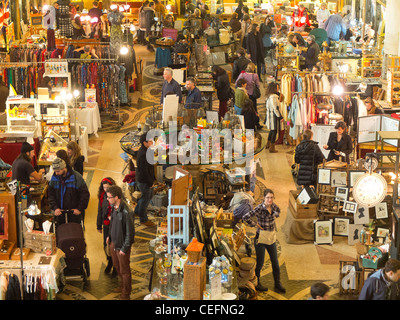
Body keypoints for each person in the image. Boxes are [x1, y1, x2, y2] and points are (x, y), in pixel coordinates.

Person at [242, 188, 286, 294]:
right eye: (268, 198)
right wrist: (255, 224)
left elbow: (278, 211)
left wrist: (275, 215)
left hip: (271, 238)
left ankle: (277, 284)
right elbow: (245, 217)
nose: (270, 200)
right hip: (260, 238)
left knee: (275, 262)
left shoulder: (274, 206)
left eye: (271, 197)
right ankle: (257, 283)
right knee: (260, 262)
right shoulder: (259, 209)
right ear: (263, 198)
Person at [106, 185, 135, 300]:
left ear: (116, 197)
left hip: (122, 245)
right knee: (117, 267)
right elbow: (112, 223)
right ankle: (122, 286)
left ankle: (126, 294)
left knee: (125, 271)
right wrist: (109, 236)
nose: (107, 199)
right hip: (114, 242)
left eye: (109, 197)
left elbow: (130, 233)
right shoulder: (114, 207)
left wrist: (124, 248)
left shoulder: (126, 212)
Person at [48, 157, 90, 225]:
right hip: (60, 213)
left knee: (75, 233)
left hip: (75, 213)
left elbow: (85, 194)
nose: (56, 174)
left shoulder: (77, 177)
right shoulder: (54, 179)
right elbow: (51, 195)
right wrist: (55, 208)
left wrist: (79, 208)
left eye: (58, 171)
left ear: (64, 168)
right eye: (55, 171)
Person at [96, 177, 117, 275]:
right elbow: (100, 211)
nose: (106, 189)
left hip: (115, 225)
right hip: (106, 225)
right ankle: (110, 261)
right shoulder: (102, 196)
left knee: (114, 245)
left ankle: (115, 266)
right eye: (104, 187)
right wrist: (98, 225)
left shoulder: (116, 196)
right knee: (106, 245)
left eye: (107, 187)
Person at [134, 133, 156, 226]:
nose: (152, 142)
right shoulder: (143, 154)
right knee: (145, 199)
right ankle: (143, 219)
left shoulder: (146, 150)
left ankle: (137, 212)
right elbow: (144, 171)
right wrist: (150, 182)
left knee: (145, 197)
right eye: (150, 141)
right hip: (144, 181)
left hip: (145, 179)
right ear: (144, 143)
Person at [236, 63, 261, 129]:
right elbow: (258, 85)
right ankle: (256, 123)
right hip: (252, 94)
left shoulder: (242, 74)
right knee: (254, 109)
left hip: (244, 94)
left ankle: (244, 123)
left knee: (244, 109)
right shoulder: (255, 75)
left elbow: (237, 82)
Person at [265, 82, 282, 153]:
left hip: (270, 116)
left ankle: (268, 144)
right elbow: (275, 108)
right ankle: (272, 147)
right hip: (273, 117)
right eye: (277, 87)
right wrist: (280, 117)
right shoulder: (273, 97)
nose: (278, 89)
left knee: (272, 131)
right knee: (274, 131)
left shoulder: (270, 96)